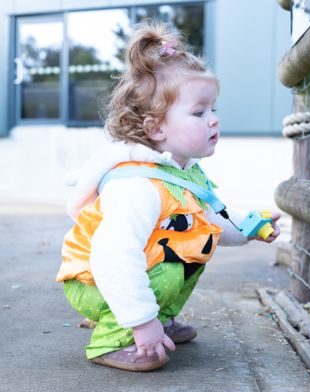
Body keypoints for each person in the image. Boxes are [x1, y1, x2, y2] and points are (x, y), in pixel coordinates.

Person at [56, 20, 280, 372]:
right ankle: (116, 336)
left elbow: (211, 217)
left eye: (214, 110)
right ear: (156, 127)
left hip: (126, 271)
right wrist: (142, 322)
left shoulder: (181, 172)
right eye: (199, 112)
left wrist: (250, 227)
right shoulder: (137, 187)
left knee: (193, 249)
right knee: (170, 269)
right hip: (94, 279)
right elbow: (113, 257)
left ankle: (157, 316)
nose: (214, 121)